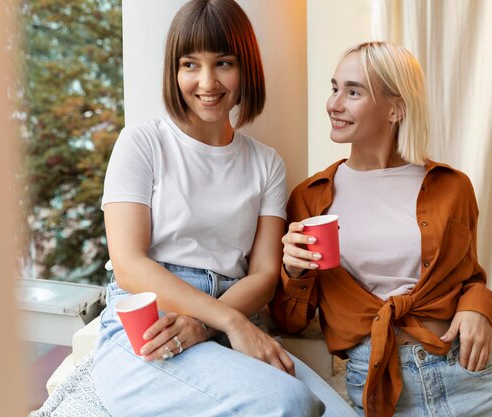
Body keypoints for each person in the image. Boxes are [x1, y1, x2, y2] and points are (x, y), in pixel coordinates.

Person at [91, 1, 358, 416]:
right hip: (150, 329)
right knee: (288, 403)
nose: (207, 81)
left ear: (245, 67)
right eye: (190, 64)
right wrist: (231, 322)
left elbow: (266, 274)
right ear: (173, 71)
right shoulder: (142, 143)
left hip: (218, 322)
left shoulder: (266, 162)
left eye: (224, 62)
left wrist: (212, 323)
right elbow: (128, 264)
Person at [271, 41, 492, 417]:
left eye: (353, 91)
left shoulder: (451, 186)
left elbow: (468, 277)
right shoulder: (310, 198)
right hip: (380, 384)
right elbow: (290, 319)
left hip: (469, 374)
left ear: (395, 108)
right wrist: (294, 271)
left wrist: (478, 308)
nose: (334, 103)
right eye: (334, 88)